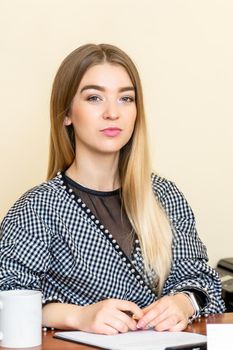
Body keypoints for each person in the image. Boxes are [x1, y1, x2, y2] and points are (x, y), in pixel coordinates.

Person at [0, 43, 225, 335]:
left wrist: (183, 303)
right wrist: (78, 317)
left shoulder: (165, 196)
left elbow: (203, 281)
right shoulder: (37, 208)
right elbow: (6, 294)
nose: (112, 113)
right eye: (94, 98)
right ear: (67, 113)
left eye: (125, 99)